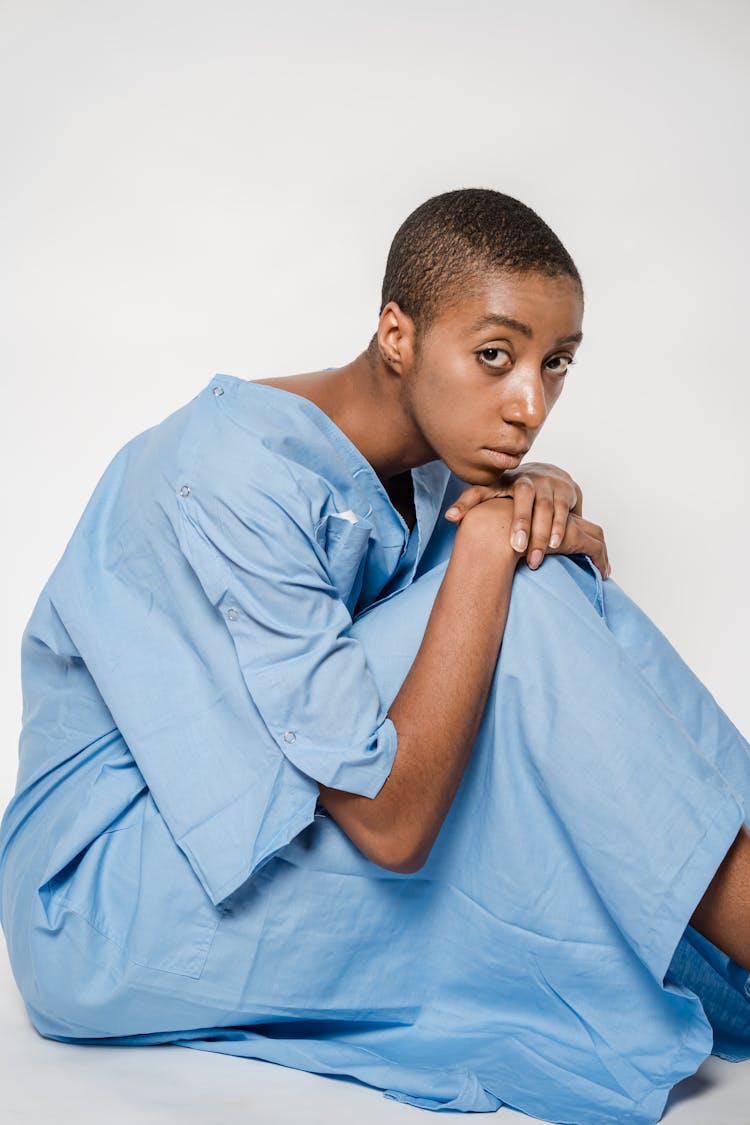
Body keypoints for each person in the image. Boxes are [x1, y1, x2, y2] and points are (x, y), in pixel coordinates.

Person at [1, 188, 749, 1125]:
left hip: (249, 832)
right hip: (104, 900)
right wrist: (487, 548)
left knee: (540, 581)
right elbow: (393, 825)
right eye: (494, 356)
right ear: (396, 335)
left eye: (555, 365)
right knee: (525, 587)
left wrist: (520, 507)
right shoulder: (232, 468)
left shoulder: (430, 468)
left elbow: (489, 686)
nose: (530, 405)